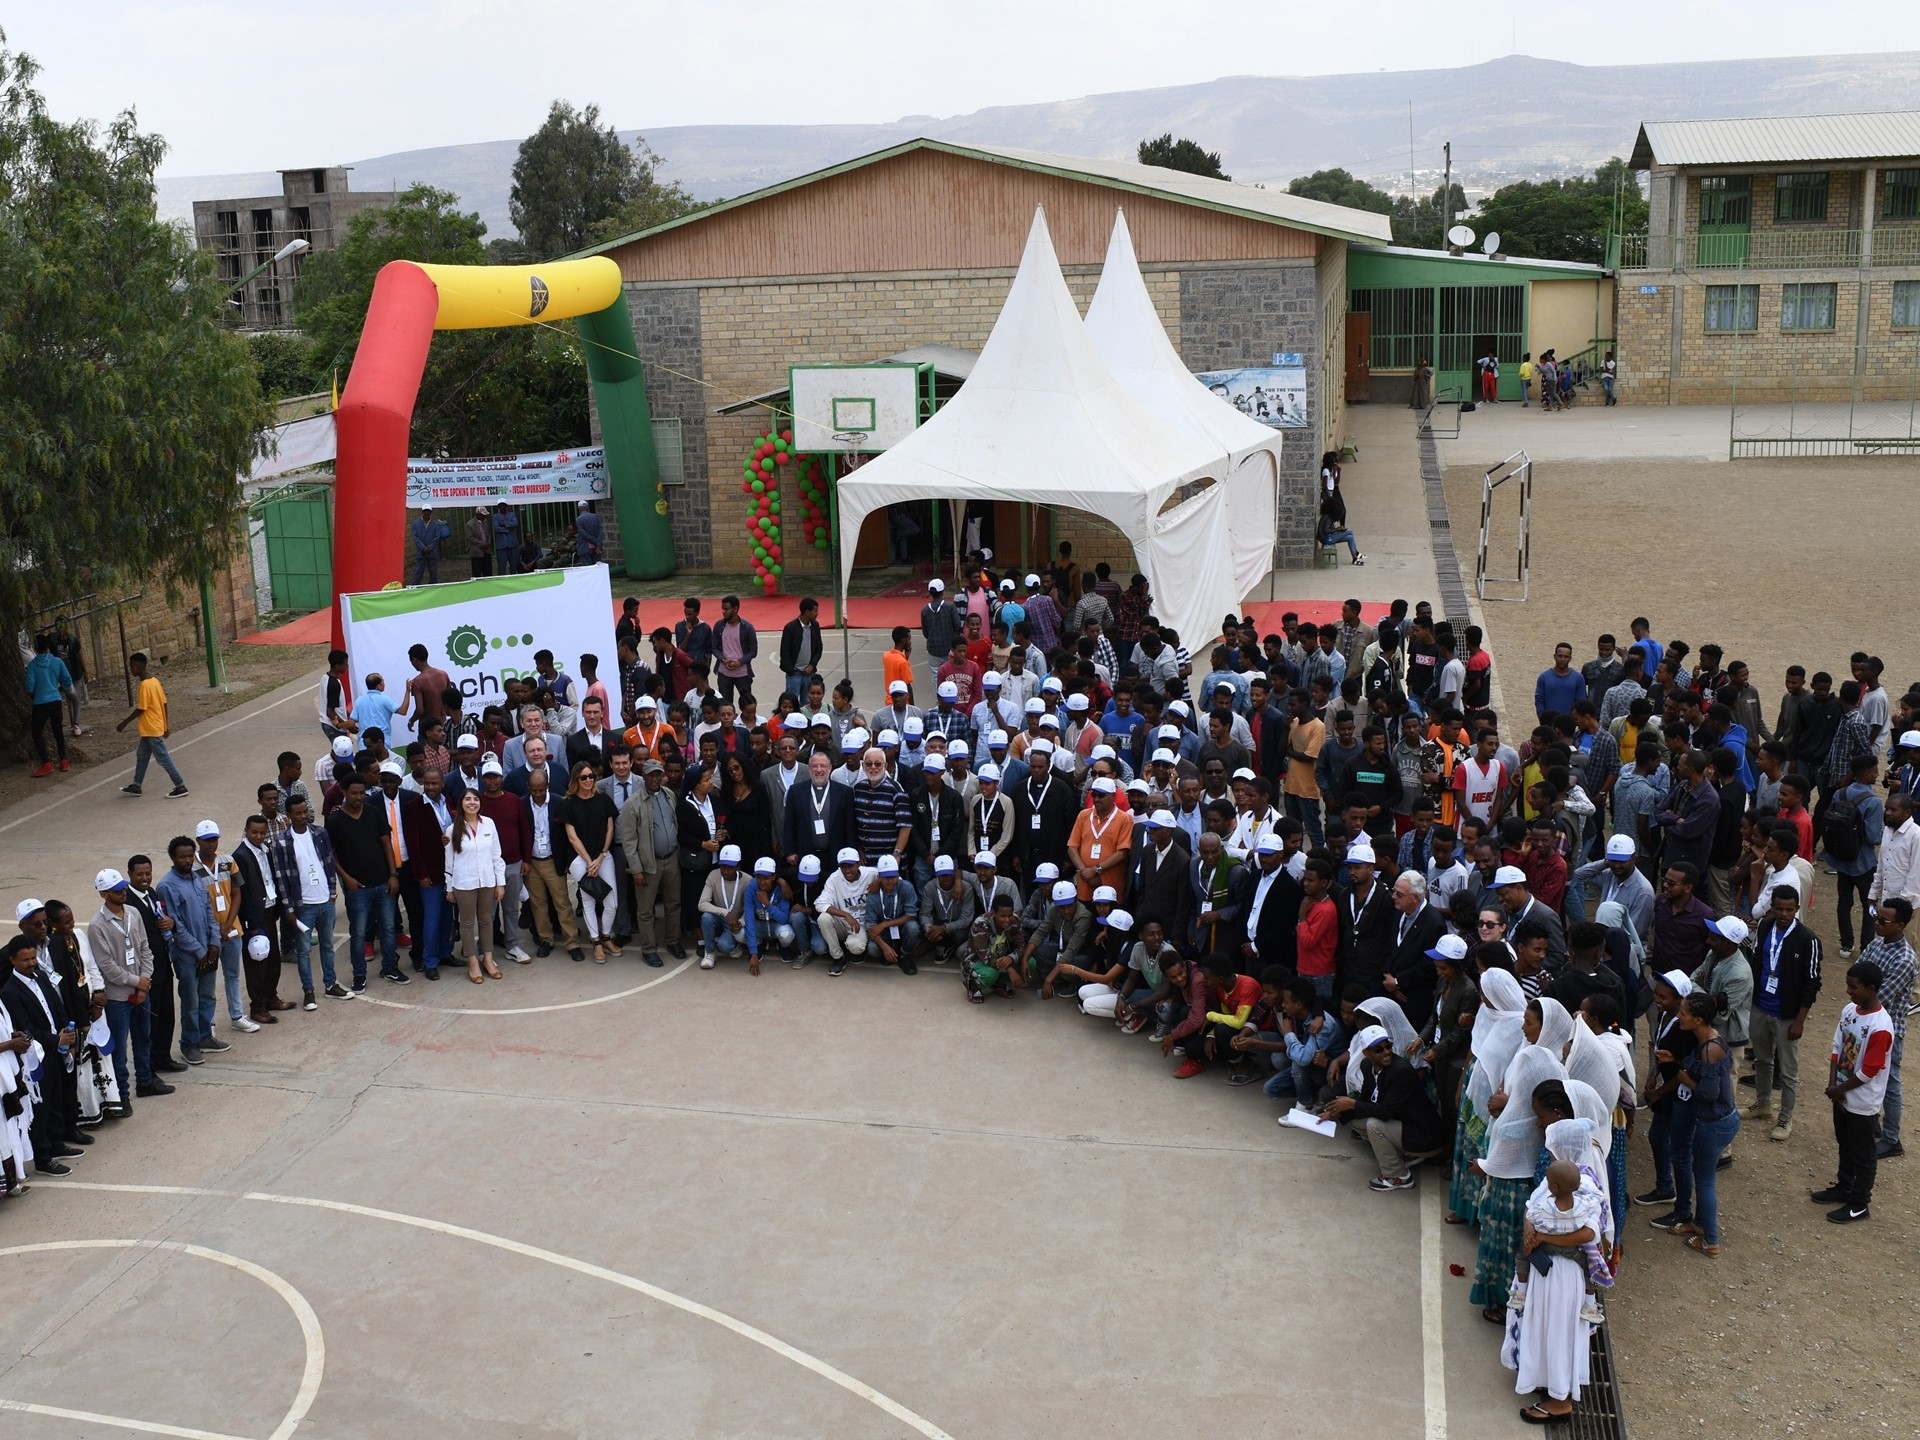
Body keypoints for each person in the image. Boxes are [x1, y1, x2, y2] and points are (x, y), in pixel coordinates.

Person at [1501, 1156, 1604, 1422]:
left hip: (1557, 1275)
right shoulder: (1584, 1197)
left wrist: (1541, 1236)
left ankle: (1560, 1401)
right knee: (1549, 1328)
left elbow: (1588, 1234)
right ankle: (1550, 1382)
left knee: (1557, 1332)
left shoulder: (1559, 1198)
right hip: (1562, 1271)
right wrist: (1533, 1233)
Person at [1814, 960, 1895, 1224]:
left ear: (1871, 989)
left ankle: (1860, 1203)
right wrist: (1833, 1087)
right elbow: (1837, 1046)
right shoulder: (1850, 1010)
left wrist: (1838, 1089)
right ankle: (1844, 1186)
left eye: (1854, 987)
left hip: (1862, 1100)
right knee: (1845, 1143)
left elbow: (1870, 1070)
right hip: (1841, 1095)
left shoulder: (1880, 1026)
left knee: (1863, 1153)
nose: (1849, 991)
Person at [1322, 1023, 1446, 1190]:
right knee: (1352, 1117)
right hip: (1403, 1125)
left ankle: (1398, 1176)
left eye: (1388, 1046)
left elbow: (1385, 1112)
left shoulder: (1401, 1070)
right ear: (1366, 1053)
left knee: (1374, 1124)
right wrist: (1336, 1110)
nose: (1386, 1052)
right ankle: (1400, 1154)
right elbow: (1365, 1099)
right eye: (1378, 1050)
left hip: (1425, 1136)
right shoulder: (1367, 1066)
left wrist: (1351, 1103)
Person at [1748, 884, 1822, 1142]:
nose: (1783, 914)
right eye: (1778, 908)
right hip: (1760, 1006)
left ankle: (1785, 1118)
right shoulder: (1766, 927)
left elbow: (1812, 983)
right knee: (1762, 1059)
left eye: (1789, 910)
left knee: (1788, 1071)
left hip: (1787, 1014)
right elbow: (1758, 962)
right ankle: (1763, 1104)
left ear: (1797, 909)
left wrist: (1799, 1020)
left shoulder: (1808, 939)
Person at [270, 795, 347, 1004]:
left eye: (305, 812)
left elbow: (329, 862)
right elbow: (282, 879)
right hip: (303, 905)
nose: (303, 816)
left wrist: (332, 894)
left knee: (327, 945)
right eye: (298, 813)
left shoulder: (320, 833)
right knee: (303, 951)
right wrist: (289, 909)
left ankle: (330, 985)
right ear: (289, 816)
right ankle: (309, 992)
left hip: (325, 900)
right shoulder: (281, 842)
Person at [1857, 898, 1915, 1158]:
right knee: (1868, 1076)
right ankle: (1873, 1125)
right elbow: (1858, 972)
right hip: (1869, 1024)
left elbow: (1881, 996)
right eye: (1876, 917)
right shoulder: (1877, 942)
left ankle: (1892, 1139)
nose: (1877, 923)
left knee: (1890, 1083)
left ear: (1900, 925)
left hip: (1890, 1030)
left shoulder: (1905, 960)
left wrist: (1862, 990)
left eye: (1883, 921)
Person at [560, 760, 621, 963]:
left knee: (612, 902)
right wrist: (589, 861)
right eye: (583, 777)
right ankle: (596, 942)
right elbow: (572, 837)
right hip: (580, 859)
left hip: (603, 855)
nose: (588, 780)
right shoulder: (568, 804)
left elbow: (610, 828)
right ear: (576, 779)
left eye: (591, 776)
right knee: (588, 901)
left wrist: (602, 855)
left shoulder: (603, 799)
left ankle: (606, 936)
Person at [445, 786, 506, 984]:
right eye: (468, 799)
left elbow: (497, 855)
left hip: (487, 880)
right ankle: (472, 962)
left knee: (487, 919)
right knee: (467, 922)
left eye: (476, 799)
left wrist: (500, 883)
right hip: (464, 883)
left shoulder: (489, 824)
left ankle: (488, 959)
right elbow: (449, 862)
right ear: (461, 803)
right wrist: (449, 888)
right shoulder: (452, 829)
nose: (472, 802)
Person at [116, 652, 187, 797]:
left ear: (139, 667)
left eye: (132, 667)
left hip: (151, 729)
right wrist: (165, 725)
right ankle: (137, 785)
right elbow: (164, 703)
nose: (130, 670)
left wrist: (123, 723)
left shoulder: (145, 685)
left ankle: (180, 786)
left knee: (163, 758)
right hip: (152, 728)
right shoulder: (154, 681)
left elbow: (141, 709)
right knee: (142, 756)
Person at [26, 633, 73, 776]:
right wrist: (61, 687)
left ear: (35, 647)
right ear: (48, 647)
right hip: (55, 700)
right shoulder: (57, 662)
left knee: (37, 733)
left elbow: (29, 687)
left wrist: (34, 692)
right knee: (58, 730)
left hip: (40, 703)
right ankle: (63, 760)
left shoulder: (32, 665)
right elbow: (67, 680)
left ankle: (46, 763)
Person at [712, 594, 758, 706]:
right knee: (725, 706)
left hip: (742, 674)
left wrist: (739, 662)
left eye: (726, 609)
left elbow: (753, 651)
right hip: (724, 673)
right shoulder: (718, 626)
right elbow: (714, 648)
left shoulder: (747, 628)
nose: (723, 612)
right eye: (722, 609)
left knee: (747, 704)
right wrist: (723, 660)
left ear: (735, 609)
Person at [1316, 461, 1364, 565]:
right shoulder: (1327, 518)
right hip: (1326, 539)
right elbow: (1327, 530)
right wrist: (1338, 529)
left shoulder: (1327, 516)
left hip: (1328, 537)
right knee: (1349, 532)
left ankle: (1355, 556)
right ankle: (1356, 554)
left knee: (1350, 537)